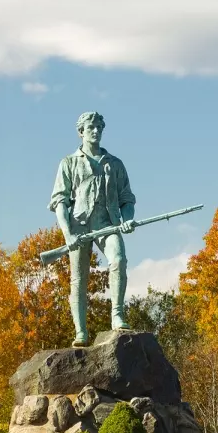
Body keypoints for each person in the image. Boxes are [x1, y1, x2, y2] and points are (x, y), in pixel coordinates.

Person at [49, 111, 136, 346]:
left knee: (118, 259)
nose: (96, 131)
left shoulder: (115, 164)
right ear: (81, 132)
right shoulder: (68, 163)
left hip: (107, 222)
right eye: (91, 127)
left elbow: (127, 199)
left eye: (99, 127)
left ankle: (117, 316)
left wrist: (127, 219)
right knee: (79, 279)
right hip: (79, 227)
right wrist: (68, 234)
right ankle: (81, 332)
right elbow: (60, 202)